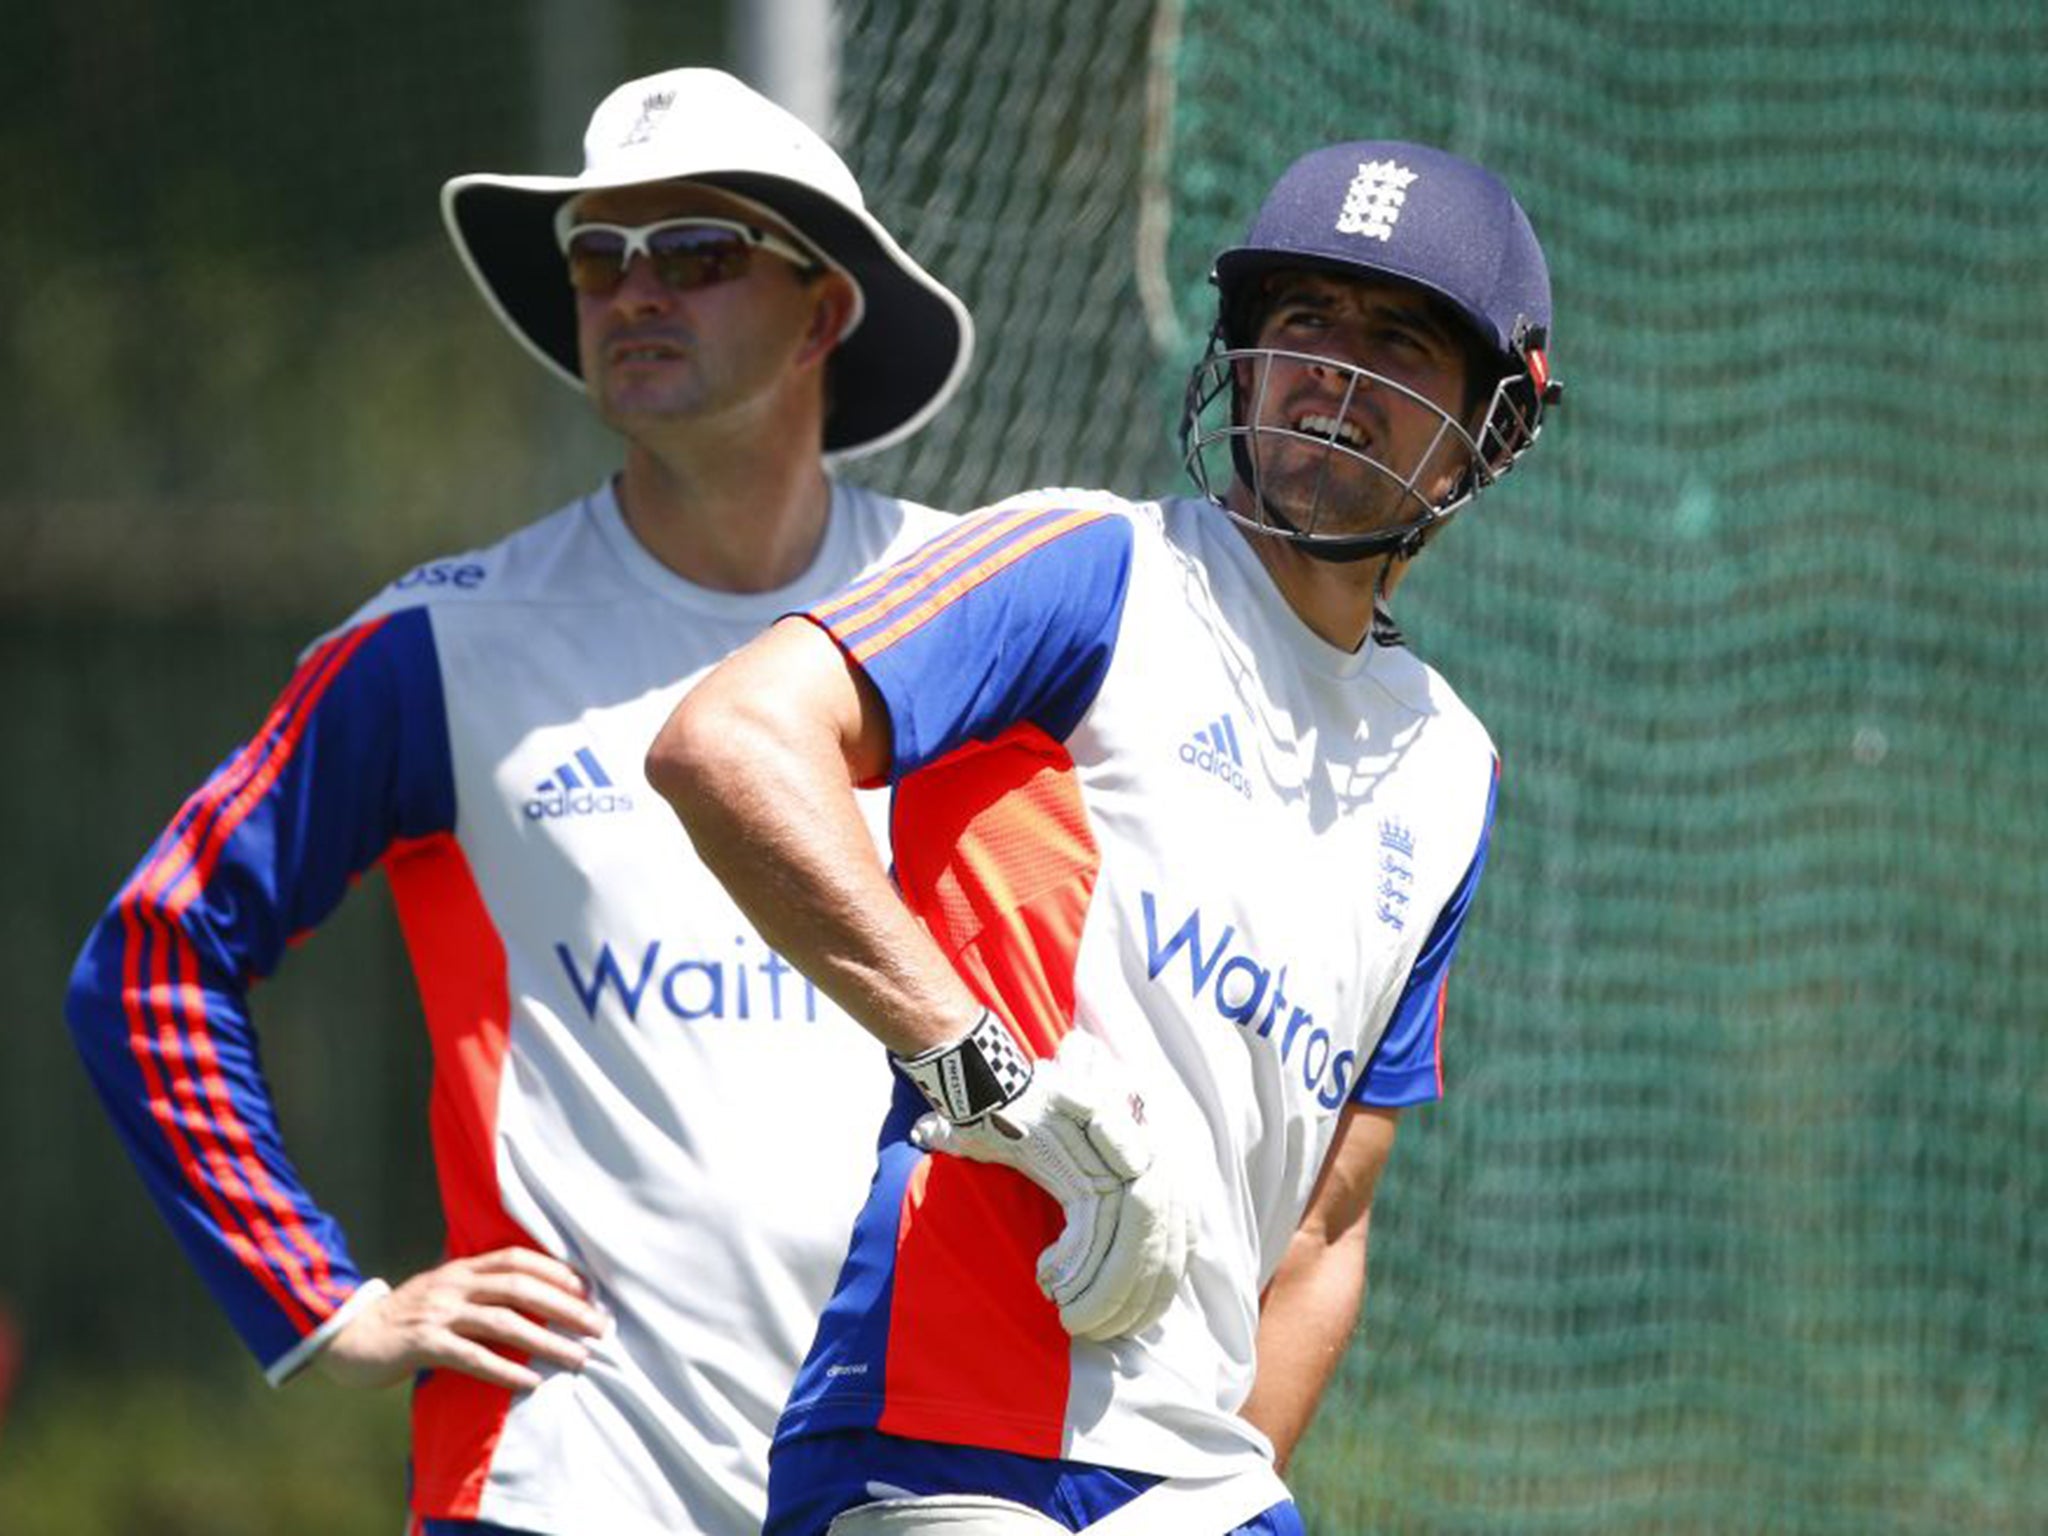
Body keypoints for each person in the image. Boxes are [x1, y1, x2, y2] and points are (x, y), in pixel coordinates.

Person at [64, 67, 973, 1536]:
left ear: (822, 316)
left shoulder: (979, 617)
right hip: (558, 1483)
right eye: (599, 260)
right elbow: (155, 954)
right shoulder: (442, 645)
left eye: (697, 254)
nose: (633, 293)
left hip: (927, 1483)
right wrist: (330, 1305)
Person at [646, 139, 1562, 1534]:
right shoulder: (1089, 563)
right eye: (1302, 318)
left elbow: (1324, 1229)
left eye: (1402, 338)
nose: (1335, 370)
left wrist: (1216, 1484)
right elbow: (729, 743)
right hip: (942, 1436)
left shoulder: (1455, 773)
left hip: (1196, 1484)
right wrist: (981, 1074)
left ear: (1501, 421)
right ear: (1241, 356)